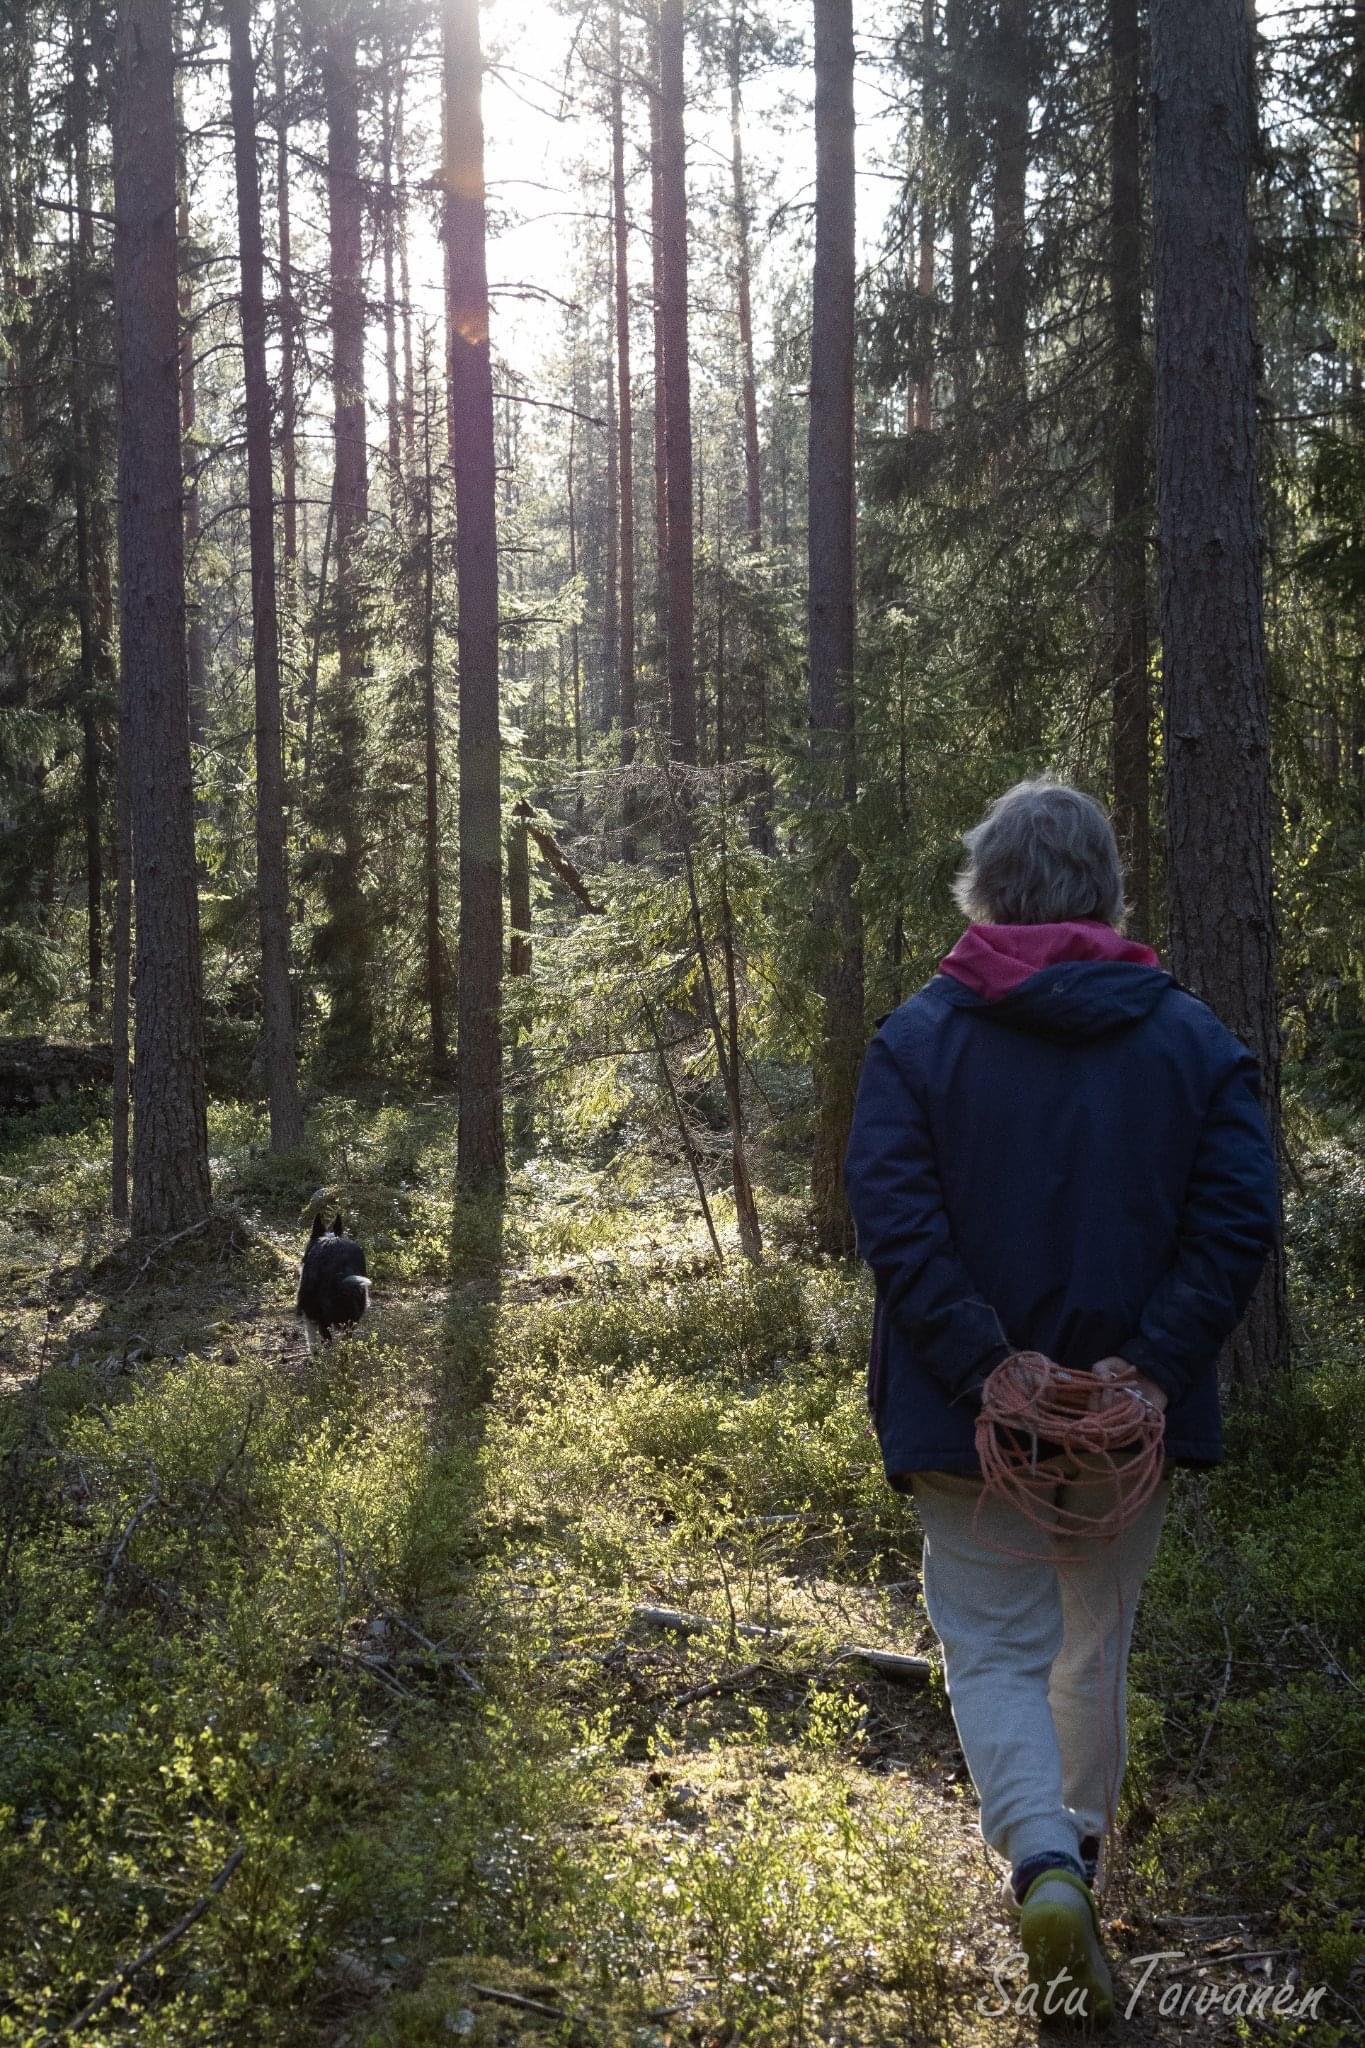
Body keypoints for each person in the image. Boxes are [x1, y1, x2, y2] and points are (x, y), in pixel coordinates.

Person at [844, 778, 1280, 2026]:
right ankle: (1075, 1860)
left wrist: (985, 1365)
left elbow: (895, 1215)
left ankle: (1041, 1865)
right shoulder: (1192, 1037)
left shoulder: (918, 1038)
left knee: (991, 1644)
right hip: (1123, 1428)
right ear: (1107, 888)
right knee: (1093, 1641)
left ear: (985, 884)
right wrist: (1148, 1365)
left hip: (965, 1420)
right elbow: (1237, 1214)